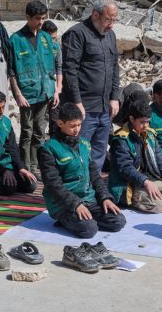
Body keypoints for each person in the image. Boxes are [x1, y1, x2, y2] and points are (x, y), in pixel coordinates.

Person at [38, 102, 125, 238]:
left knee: (118, 221)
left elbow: (94, 175)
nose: (76, 129)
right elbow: (53, 184)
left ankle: (85, 218)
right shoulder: (48, 148)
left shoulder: (84, 144)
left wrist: (105, 197)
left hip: (88, 199)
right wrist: (75, 204)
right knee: (89, 229)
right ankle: (65, 219)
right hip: (64, 204)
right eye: (72, 126)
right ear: (60, 123)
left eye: (79, 125)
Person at [61, 0, 121, 170]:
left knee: (99, 151)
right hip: (84, 107)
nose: (111, 25)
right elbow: (69, 70)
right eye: (108, 20)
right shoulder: (77, 34)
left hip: (104, 107)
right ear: (95, 15)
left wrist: (114, 97)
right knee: (79, 150)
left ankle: (92, 187)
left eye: (114, 20)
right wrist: (77, 103)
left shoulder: (110, 35)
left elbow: (114, 67)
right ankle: (77, 187)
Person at [108, 100, 162, 214]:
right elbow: (125, 168)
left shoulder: (150, 134)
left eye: (148, 122)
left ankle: (155, 196)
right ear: (132, 119)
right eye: (142, 122)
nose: (145, 125)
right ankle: (136, 198)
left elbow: (161, 161)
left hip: (152, 180)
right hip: (132, 184)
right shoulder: (121, 140)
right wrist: (145, 182)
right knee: (156, 206)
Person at [8, 1, 59, 173]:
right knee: (27, 131)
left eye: (43, 18)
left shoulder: (45, 38)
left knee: (40, 130)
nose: (41, 22)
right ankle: (25, 166)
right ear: (28, 17)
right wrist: (18, 95)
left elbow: (53, 63)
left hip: (44, 92)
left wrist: (54, 90)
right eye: (37, 18)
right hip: (27, 93)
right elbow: (11, 71)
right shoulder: (16, 40)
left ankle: (36, 166)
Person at [42, 20, 63, 137]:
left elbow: (59, 67)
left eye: (55, 38)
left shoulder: (56, 48)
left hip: (53, 87)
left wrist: (58, 89)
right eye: (51, 38)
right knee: (41, 120)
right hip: (39, 88)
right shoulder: (36, 47)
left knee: (54, 119)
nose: (53, 41)